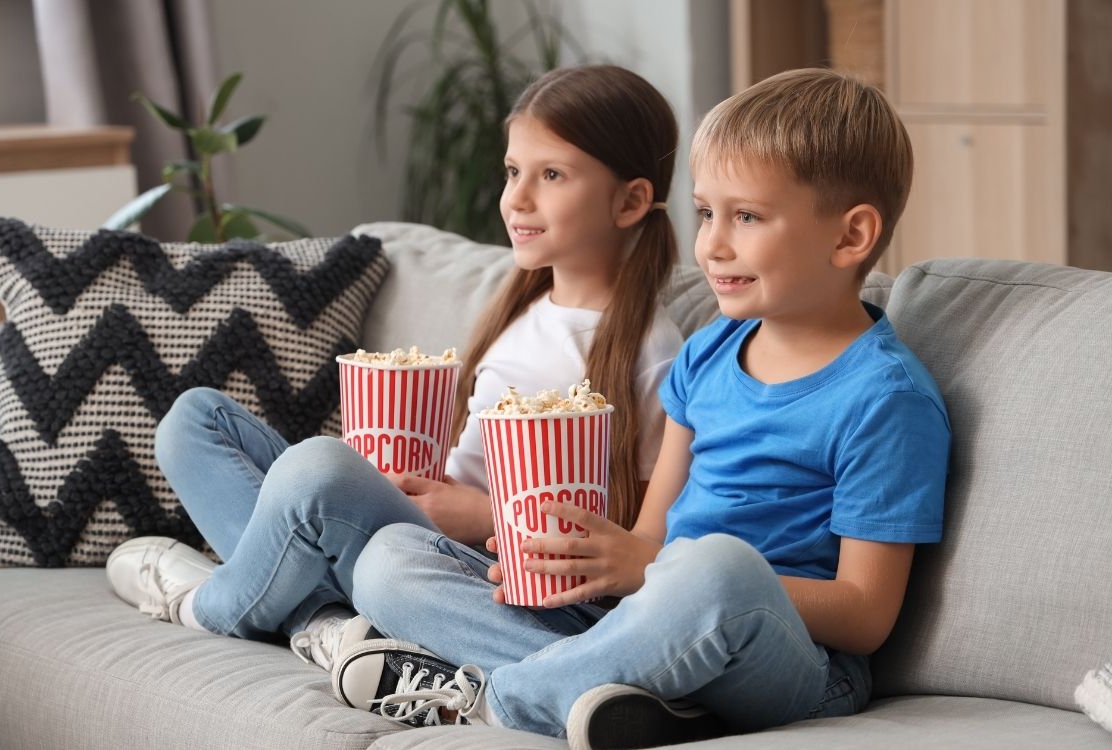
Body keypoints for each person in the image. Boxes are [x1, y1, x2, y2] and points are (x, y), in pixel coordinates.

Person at [332, 67, 952, 749]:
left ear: (850, 237)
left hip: (798, 661)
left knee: (716, 568)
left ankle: (499, 698)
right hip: (648, 616)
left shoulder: (886, 400)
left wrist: (660, 571)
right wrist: (603, 562)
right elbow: (651, 542)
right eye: (707, 211)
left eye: (746, 216)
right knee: (392, 559)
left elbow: (865, 616)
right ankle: (619, 689)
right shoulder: (708, 354)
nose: (711, 244)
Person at [103, 64, 686, 677]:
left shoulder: (651, 351)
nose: (516, 197)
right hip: (416, 523)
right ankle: (321, 621)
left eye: (552, 175)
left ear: (630, 200)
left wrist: (483, 515)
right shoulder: (522, 304)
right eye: (514, 171)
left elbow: (627, 541)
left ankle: (210, 605)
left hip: (458, 561)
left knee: (318, 468)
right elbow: (464, 460)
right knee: (194, 419)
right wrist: (404, 478)